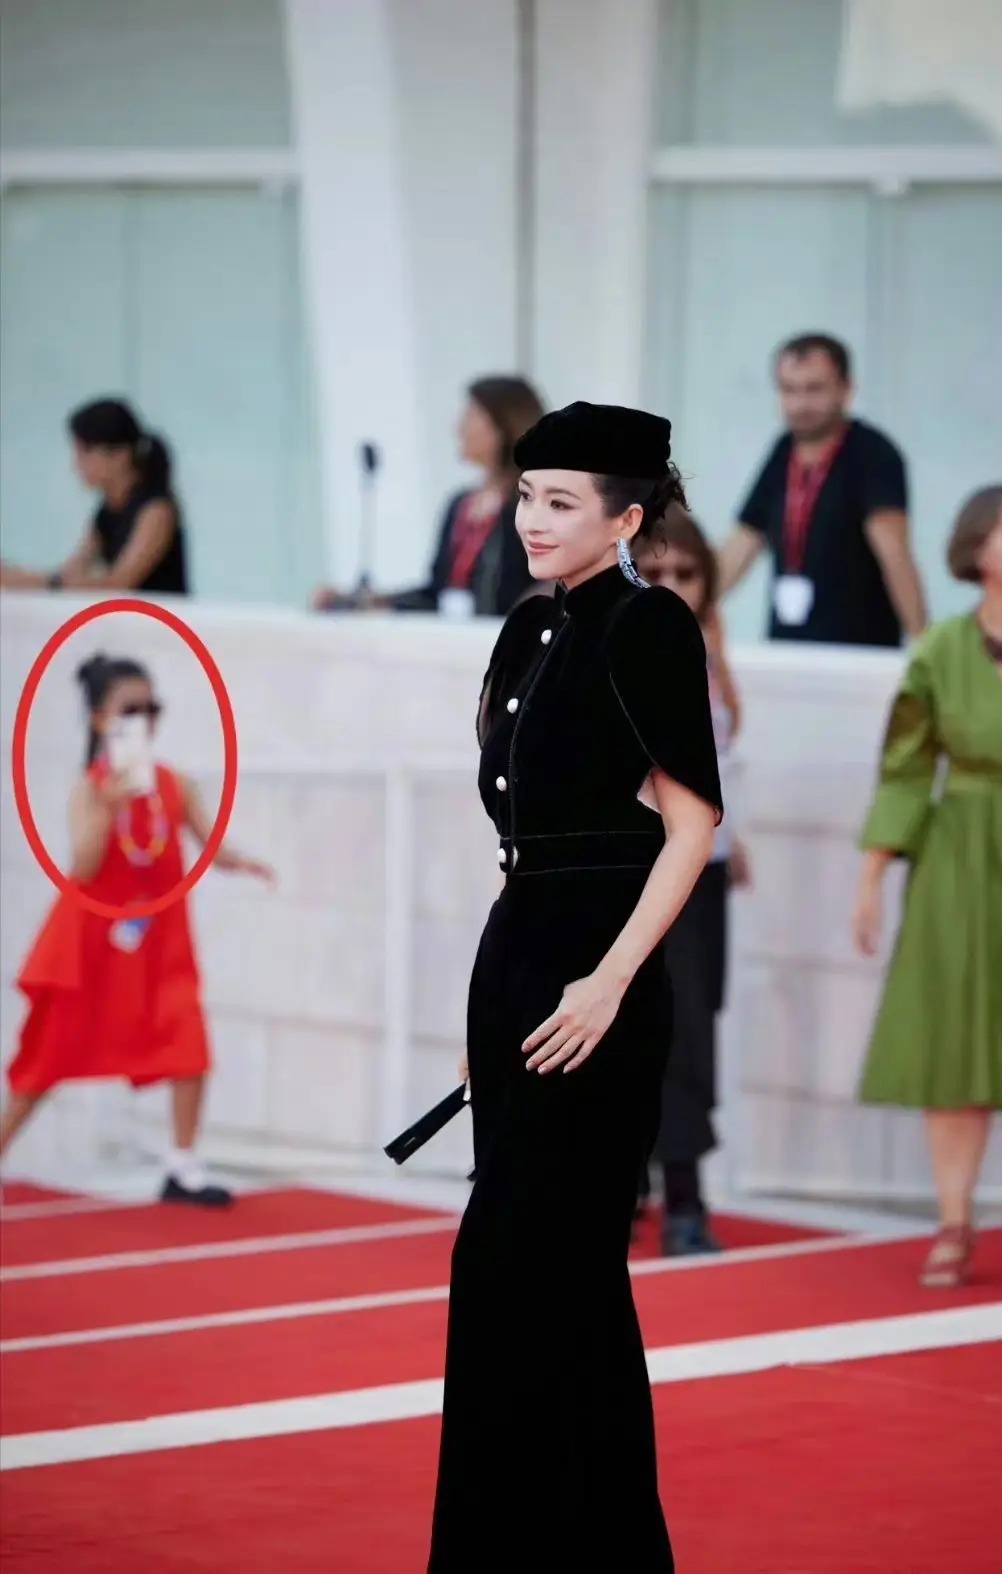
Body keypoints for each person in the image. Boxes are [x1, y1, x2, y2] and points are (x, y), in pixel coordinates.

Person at [428, 401, 723, 1572]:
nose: (532, 518)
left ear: (627, 519)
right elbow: (517, 838)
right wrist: (489, 1006)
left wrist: (608, 981)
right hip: (518, 961)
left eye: (561, 500)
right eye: (526, 495)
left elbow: (691, 827)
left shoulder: (650, 626)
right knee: (550, 1285)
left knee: (528, 1265)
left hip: (602, 974)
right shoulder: (525, 625)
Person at [852, 485, 1002, 1287]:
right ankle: (954, 1220)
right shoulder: (939, 650)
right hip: (961, 861)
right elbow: (906, 768)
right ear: (977, 548)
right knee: (957, 1039)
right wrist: (872, 878)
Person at [0, 654, 274, 1204]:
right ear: (101, 718)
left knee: (187, 1039)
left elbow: (208, 841)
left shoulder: (175, 784)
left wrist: (242, 862)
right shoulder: (92, 788)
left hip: (158, 941)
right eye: (131, 709)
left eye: (152, 709)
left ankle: (182, 1164)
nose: (144, 720)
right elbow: (82, 865)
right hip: (91, 943)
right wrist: (107, 806)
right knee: (48, 1056)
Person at [635, 507, 751, 1255]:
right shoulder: (622, 650)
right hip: (641, 870)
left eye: (687, 573)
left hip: (703, 871)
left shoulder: (709, 648)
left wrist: (734, 842)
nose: (673, 586)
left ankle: (671, 1185)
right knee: (650, 1030)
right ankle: (674, 1196)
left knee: (693, 1028)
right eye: (656, 572)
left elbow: (714, 762)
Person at [716, 333, 926, 646]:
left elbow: (894, 554)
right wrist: (675, 612)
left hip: (859, 651)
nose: (800, 404)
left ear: (846, 389)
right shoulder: (783, 450)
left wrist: (924, 644)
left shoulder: (873, 453)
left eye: (814, 389)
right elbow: (743, 542)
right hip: (787, 648)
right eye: (789, 389)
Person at [310, 375, 545, 617]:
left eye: (471, 417)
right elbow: (435, 594)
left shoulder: (534, 505)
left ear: (503, 427)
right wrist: (361, 602)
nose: (458, 429)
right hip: (451, 636)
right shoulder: (460, 505)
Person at [0, 398, 189, 596]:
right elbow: (73, 571)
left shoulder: (156, 511)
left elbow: (118, 583)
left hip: (158, 616)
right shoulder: (106, 512)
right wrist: (16, 576)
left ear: (120, 456)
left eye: (85, 452)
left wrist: (42, 582)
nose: (77, 464)